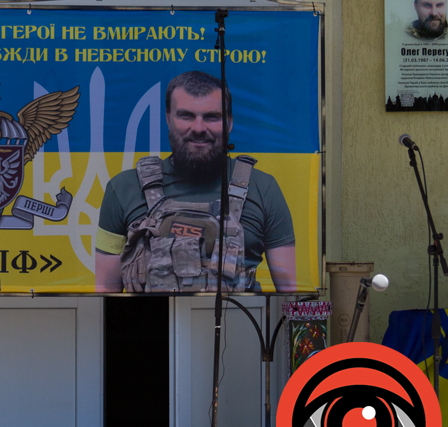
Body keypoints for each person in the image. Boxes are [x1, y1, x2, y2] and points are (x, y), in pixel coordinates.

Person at [94, 70, 297, 293]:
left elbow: (291, 296)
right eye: (186, 116)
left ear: (229, 123)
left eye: (212, 117)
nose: (199, 128)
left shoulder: (264, 189)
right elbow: (104, 296)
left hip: (238, 326)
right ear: (167, 118)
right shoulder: (122, 189)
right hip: (148, 327)